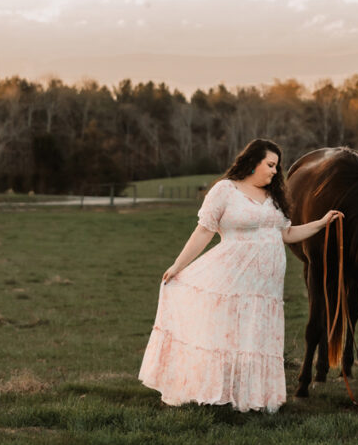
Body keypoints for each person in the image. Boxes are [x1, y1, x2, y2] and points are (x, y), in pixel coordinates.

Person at [138, 139, 343, 413]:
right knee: (227, 334)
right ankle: (217, 394)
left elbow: (287, 233)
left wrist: (321, 223)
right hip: (231, 278)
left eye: (276, 166)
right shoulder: (225, 190)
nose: (274, 171)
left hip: (265, 288)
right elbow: (204, 231)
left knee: (254, 337)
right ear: (252, 162)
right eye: (270, 165)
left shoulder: (274, 197)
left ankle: (249, 398)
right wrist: (178, 265)